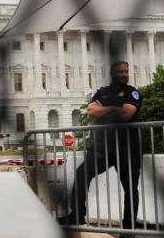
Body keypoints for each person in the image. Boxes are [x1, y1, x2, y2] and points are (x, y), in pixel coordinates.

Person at [59, 60, 142, 236]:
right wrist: (114, 109)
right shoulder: (101, 92)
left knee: (130, 188)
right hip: (103, 146)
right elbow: (91, 112)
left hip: (127, 147)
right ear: (112, 73)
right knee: (82, 174)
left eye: (126, 71)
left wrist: (104, 109)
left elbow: (126, 114)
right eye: (121, 72)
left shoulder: (132, 93)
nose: (125, 74)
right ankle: (77, 216)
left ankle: (128, 231)